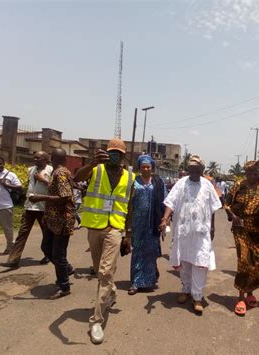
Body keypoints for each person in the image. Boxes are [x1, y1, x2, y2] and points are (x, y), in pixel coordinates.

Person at [74, 138, 135, 345]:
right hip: (94, 226)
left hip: (115, 228)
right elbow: (76, 178)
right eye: (111, 152)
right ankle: (112, 292)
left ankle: (96, 321)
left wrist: (128, 234)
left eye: (118, 153)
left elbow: (129, 208)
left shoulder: (129, 177)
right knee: (100, 270)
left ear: (123, 156)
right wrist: (91, 163)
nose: (114, 156)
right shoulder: (96, 169)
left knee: (106, 271)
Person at [159, 155, 221, 314]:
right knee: (185, 262)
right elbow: (171, 201)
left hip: (201, 234)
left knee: (200, 263)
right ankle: (186, 290)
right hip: (184, 232)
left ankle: (197, 297)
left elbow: (213, 207)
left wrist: (212, 228)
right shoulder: (181, 183)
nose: (193, 171)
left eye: (197, 169)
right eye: (191, 168)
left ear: (202, 170)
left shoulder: (208, 185)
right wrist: (165, 219)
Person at [224, 160, 259, 316]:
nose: (252, 175)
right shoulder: (238, 185)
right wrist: (233, 216)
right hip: (241, 229)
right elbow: (227, 204)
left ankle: (250, 293)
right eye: (249, 173)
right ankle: (241, 296)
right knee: (244, 262)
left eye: (255, 173)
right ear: (245, 173)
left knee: (257, 264)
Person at [28, 148, 75, 300]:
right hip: (52, 219)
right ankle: (66, 269)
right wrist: (47, 216)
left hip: (62, 220)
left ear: (52, 159)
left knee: (58, 254)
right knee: (46, 247)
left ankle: (64, 286)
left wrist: (40, 197)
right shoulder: (58, 172)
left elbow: (64, 196)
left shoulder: (60, 173)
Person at [0, 151, 52, 268]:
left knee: (47, 234)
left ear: (45, 159)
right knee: (22, 233)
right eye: (34, 158)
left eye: (38, 158)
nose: (35, 160)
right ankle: (13, 259)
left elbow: (56, 187)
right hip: (29, 206)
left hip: (44, 207)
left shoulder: (51, 170)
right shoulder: (31, 169)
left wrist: (43, 180)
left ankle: (49, 255)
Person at [128, 154, 166, 295]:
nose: (145, 169)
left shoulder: (158, 182)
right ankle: (136, 282)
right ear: (139, 167)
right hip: (137, 223)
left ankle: (148, 281)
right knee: (137, 251)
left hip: (152, 223)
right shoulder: (134, 182)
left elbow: (165, 201)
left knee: (150, 251)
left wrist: (164, 220)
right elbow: (129, 203)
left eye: (148, 167)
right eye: (143, 166)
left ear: (152, 168)